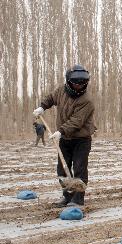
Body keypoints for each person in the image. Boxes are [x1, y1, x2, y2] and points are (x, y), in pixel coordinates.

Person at [33, 64, 95, 207]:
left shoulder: (87, 101)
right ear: (69, 82)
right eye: (76, 84)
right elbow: (51, 98)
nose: (79, 87)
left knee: (79, 168)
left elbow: (77, 122)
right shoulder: (61, 91)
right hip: (64, 139)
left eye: (82, 84)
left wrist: (60, 131)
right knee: (62, 169)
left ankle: (78, 199)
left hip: (81, 140)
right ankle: (67, 197)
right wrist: (42, 107)